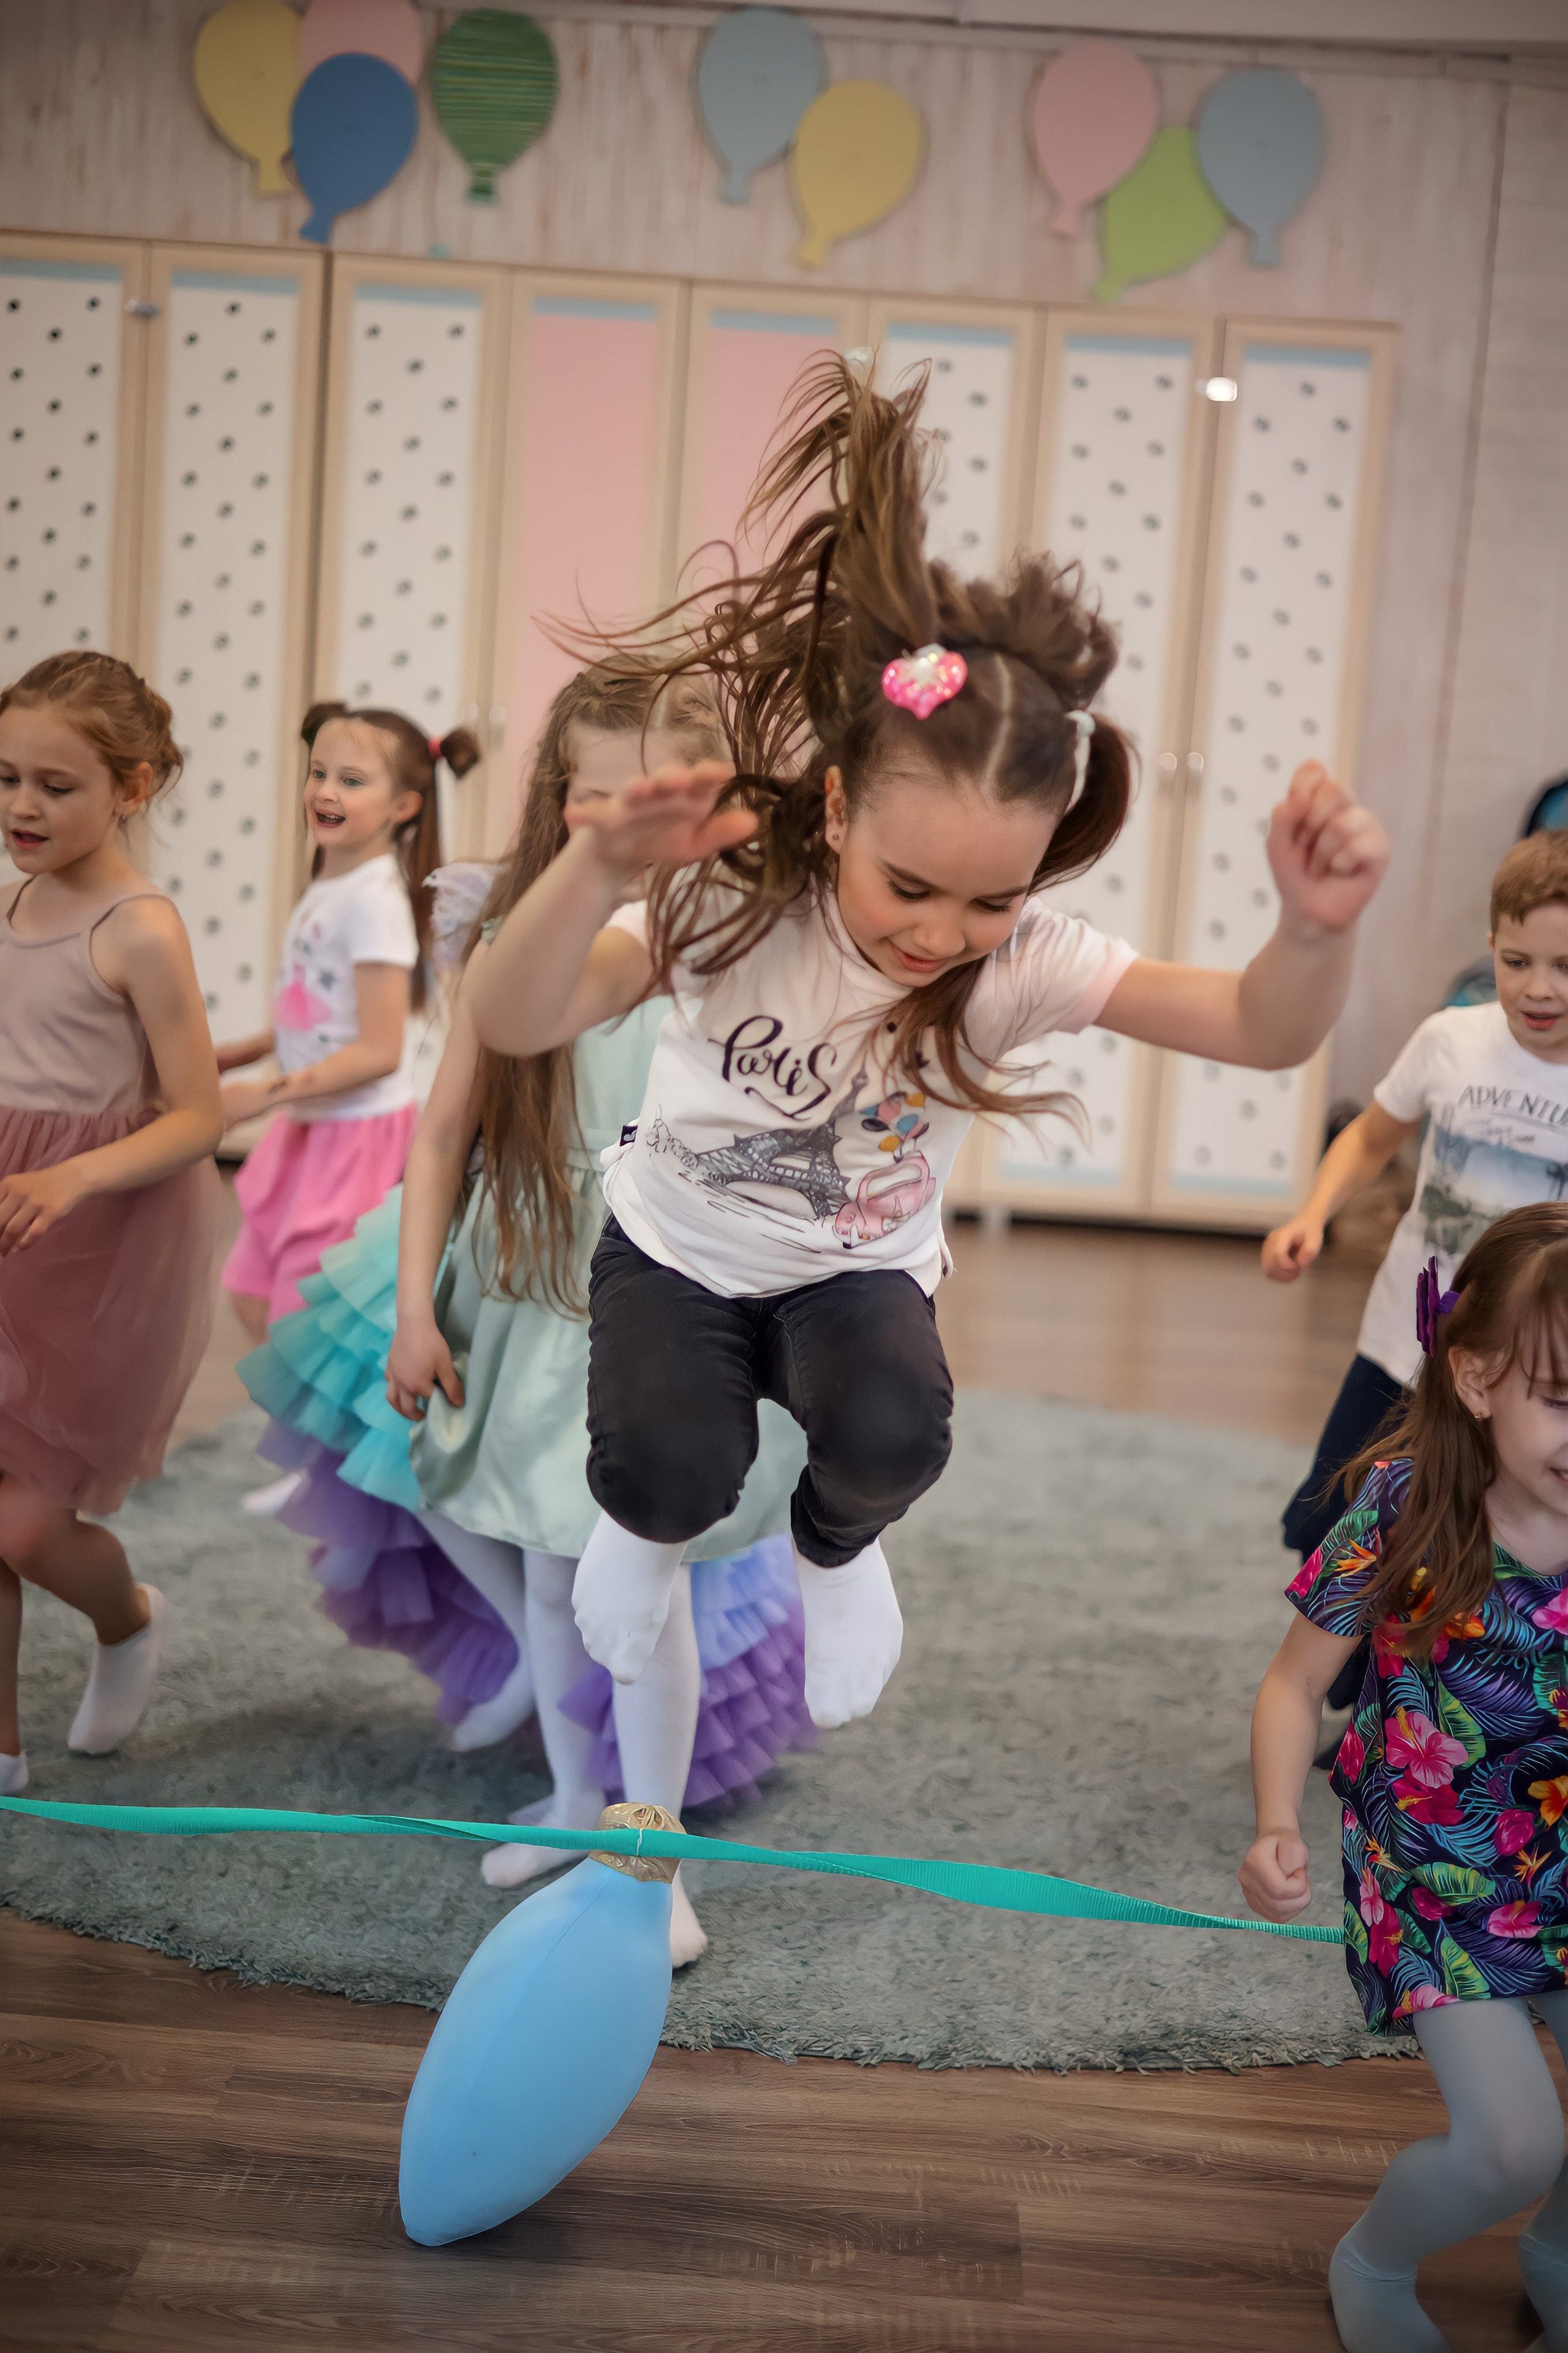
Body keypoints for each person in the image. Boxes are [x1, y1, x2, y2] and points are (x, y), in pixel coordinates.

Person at [469, 352, 1391, 1732]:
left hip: (854, 1269)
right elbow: (511, 1016)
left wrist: (1312, 933)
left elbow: (1256, 1029)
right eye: (910, 887)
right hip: (678, 1246)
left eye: (991, 896)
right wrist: (594, 876)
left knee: (896, 1429)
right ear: (835, 808)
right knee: (668, 1461)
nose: (942, 932)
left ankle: (835, 1555)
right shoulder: (737, 900)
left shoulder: (1016, 963)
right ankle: (645, 1535)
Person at [240, 663, 810, 1966]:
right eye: (591, 798)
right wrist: (416, 1311)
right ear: (562, 799)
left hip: (664, 1287)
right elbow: (444, 1129)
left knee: (623, 1573)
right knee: (526, 1553)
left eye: (650, 800)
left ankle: (643, 1841)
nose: (619, 827)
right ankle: (572, 1795)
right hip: (525, 1275)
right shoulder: (516, 931)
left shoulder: (745, 934)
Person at [1241, 1204, 1568, 2353]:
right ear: (1476, 1380)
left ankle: (1556, 2254)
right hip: (1435, 1880)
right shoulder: (1402, 1511)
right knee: (1513, 2145)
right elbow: (1291, 1689)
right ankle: (1374, 2259)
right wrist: (1277, 1819)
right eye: (1563, 1397)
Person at [1265, 830, 1568, 1717]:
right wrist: (1312, 1213)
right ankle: (1347, 1685)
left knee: (1466, 1542)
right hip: (1404, 1340)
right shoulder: (1452, 1040)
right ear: (1491, 947)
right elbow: (1368, 1137)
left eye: (1564, 964)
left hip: (1514, 1378)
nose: (1539, 987)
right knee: (1333, 1517)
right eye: (1518, 960)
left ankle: (1420, 1707)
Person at [0, 652, 225, 1792]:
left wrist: (74, 1179)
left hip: (88, 1248)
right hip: (4, 1217)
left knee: (30, 1529)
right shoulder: (14, 903)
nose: (21, 809)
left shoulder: (142, 927)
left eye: (55, 785)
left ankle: (127, 1616)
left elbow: (198, 1115)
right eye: (6, 780)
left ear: (131, 788)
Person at [217, 703, 481, 1348]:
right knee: (253, 1295)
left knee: (306, 1323)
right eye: (319, 773)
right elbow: (325, 1010)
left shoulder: (375, 903)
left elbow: (378, 1051)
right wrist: (244, 1051)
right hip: (311, 1121)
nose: (326, 791)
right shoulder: (334, 883)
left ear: (404, 807)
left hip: (354, 1136)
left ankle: (340, 1443)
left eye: (352, 780)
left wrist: (264, 1091)